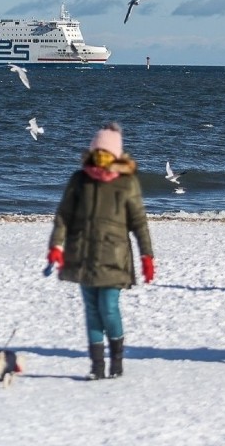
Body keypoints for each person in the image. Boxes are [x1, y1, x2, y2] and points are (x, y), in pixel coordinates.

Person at [46, 122, 154, 380]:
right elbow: (64, 216)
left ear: (116, 155)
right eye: (98, 152)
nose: (101, 157)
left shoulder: (126, 183)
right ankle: (96, 367)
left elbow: (139, 221)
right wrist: (56, 247)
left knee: (108, 307)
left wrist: (146, 256)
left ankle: (116, 360)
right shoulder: (79, 179)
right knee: (92, 312)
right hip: (81, 255)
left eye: (107, 153)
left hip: (114, 256)